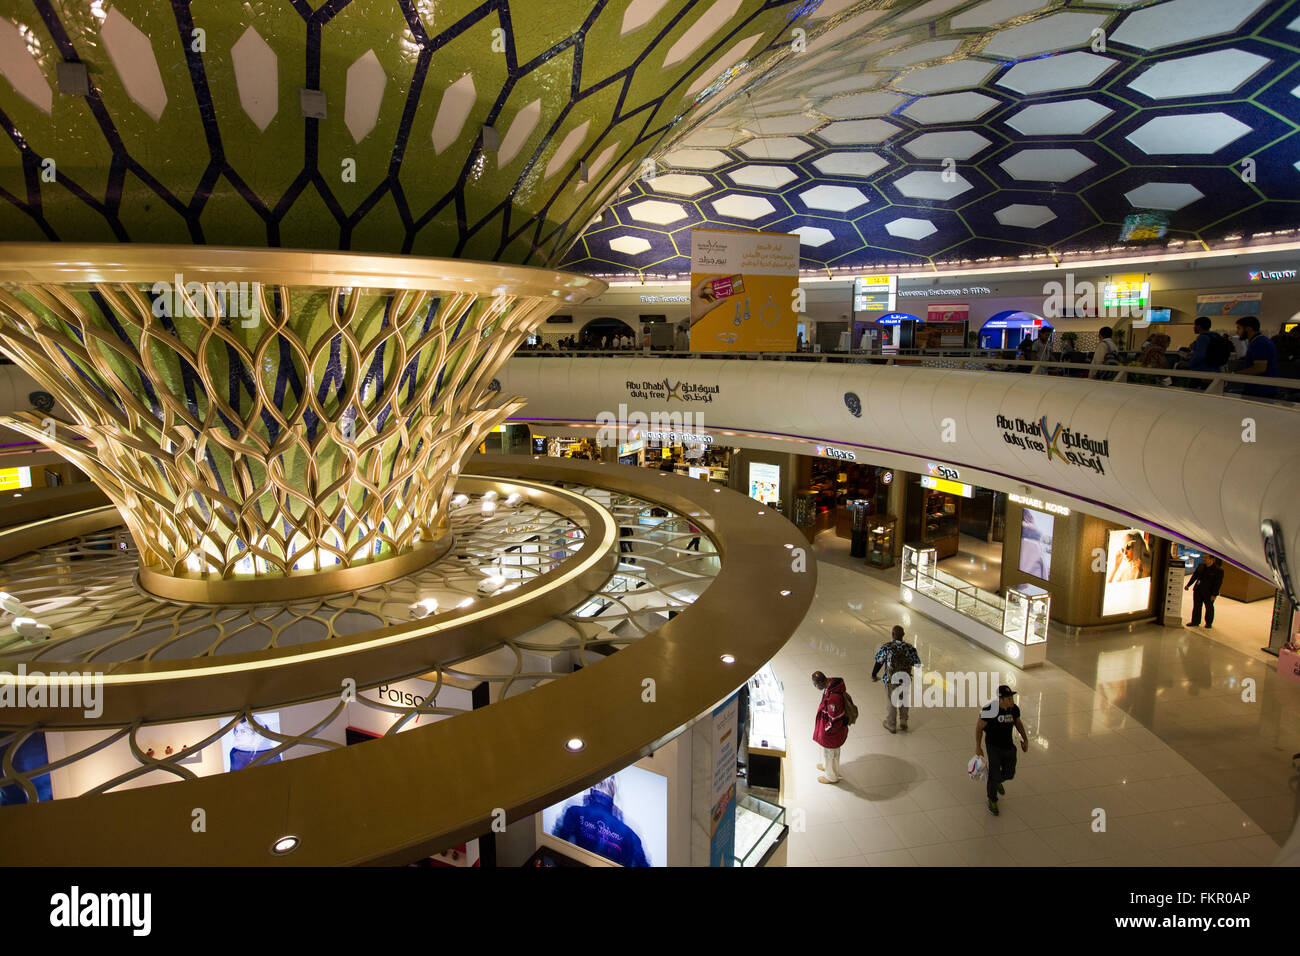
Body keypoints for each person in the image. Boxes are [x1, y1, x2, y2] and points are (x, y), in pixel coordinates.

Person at [550, 775, 651, 866]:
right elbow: (642, 863)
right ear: (613, 790)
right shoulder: (630, 833)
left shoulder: (574, 812)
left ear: (591, 788)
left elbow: (555, 846)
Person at [975, 685, 1028, 816]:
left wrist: (1025, 739)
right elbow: (979, 727)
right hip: (993, 747)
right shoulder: (989, 710)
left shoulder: (1013, 709)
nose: (1012, 701)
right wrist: (978, 746)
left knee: (1010, 773)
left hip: (1009, 746)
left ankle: (998, 781)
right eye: (1009, 698)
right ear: (1001, 699)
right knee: (994, 775)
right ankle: (992, 799)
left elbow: (1018, 723)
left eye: (1012, 698)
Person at [871, 625, 921, 733]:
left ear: (892, 634)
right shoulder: (910, 648)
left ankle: (891, 724)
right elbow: (917, 664)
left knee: (891, 701)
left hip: (891, 679)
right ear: (903, 635)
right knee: (904, 699)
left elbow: (879, 662)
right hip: (905, 679)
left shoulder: (887, 647)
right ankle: (903, 721)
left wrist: (874, 674)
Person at [811, 671, 849, 784]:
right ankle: (825, 765)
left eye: (815, 684)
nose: (815, 687)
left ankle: (831, 776)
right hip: (827, 726)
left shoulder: (834, 699)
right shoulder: (830, 685)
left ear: (821, 682)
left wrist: (826, 730)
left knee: (831, 754)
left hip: (832, 732)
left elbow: (834, 719)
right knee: (827, 751)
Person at [1234, 315, 1279, 398]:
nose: (1237, 332)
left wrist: (1235, 374)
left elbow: (1260, 368)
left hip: (1261, 391)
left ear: (1248, 328)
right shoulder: (1259, 341)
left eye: (1239, 328)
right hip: (1260, 389)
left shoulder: (1260, 343)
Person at [1185, 554, 1224, 629]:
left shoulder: (1218, 570)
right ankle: (1195, 621)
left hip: (1209, 592)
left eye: (1206, 558)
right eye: (1203, 557)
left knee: (1209, 608)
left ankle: (1208, 623)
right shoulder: (1201, 566)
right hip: (1198, 590)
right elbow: (1194, 576)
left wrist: (1214, 594)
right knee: (1197, 606)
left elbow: (1218, 584)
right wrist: (1188, 585)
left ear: (1212, 559)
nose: (1204, 559)